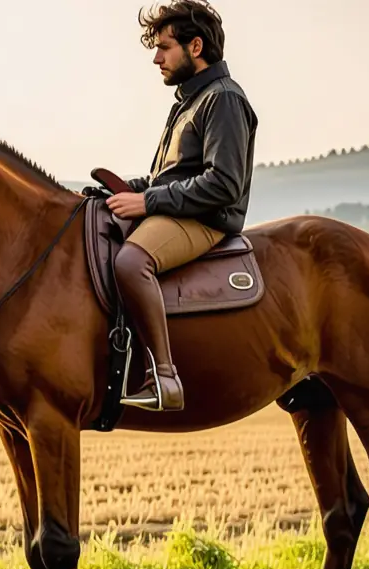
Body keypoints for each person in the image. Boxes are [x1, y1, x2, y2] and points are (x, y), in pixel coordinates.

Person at [106, 0, 258, 412]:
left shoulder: (223, 99)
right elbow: (167, 177)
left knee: (130, 263)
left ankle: (164, 377)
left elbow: (223, 183)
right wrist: (123, 191)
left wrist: (147, 200)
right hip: (175, 210)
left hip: (204, 220)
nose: (156, 58)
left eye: (164, 47)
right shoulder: (188, 102)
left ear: (195, 47)